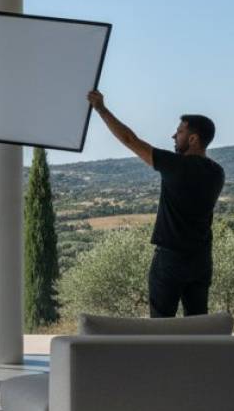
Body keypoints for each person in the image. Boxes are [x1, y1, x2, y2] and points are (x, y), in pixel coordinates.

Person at [88, 91, 225, 318]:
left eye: (180, 131)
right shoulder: (217, 172)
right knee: (199, 322)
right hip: (201, 259)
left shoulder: (175, 166)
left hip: (171, 259)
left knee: (161, 325)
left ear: (193, 139)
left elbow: (130, 140)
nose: (173, 136)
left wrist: (101, 109)